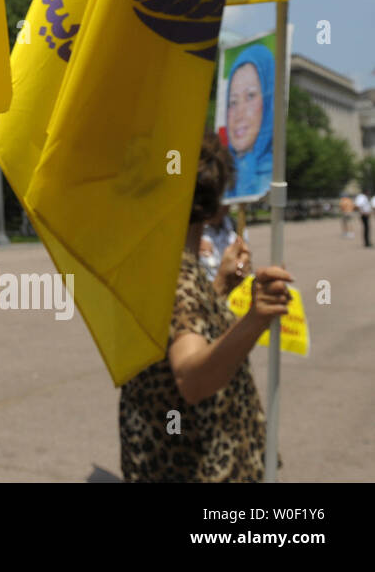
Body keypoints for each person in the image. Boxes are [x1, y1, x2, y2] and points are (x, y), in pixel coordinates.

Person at [118, 132, 292, 482]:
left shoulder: (164, 267)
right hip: (201, 470)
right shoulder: (175, 274)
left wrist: (219, 287)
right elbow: (192, 378)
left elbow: (181, 325)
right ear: (215, 203)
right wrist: (255, 318)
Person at [225, 45, 273, 199]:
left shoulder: (274, 178)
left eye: (250, 96)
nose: (239, 114)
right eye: (233, 102)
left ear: (267, 102)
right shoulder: (222, 177)